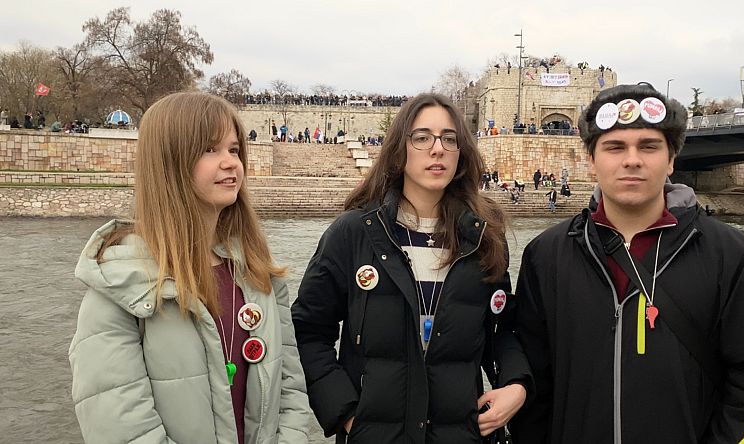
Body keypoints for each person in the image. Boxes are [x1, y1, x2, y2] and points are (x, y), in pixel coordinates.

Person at [511, 83, 744, 443]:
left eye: (648, 146)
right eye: (614, 147)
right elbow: (532, 382)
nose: (632, 159)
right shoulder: (546, 255)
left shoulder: (730, 254)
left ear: (670, 160)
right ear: (590, 160)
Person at [69, 92, 311, 444]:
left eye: (233, 149)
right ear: (169, 163)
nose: (230, 163)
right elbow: (120, 428)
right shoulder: (118, 285)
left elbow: (290, 389)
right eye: (209, 150)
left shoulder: (259, 272)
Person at [292, 93, 532, 443]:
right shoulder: (353, 234)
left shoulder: (484, 238)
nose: (437, 149)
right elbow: (309, 329)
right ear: (398, 149)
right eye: (422, 138)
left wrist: (516, 384)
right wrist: (345, 412)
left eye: (449, 139)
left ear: (461, 153)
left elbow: (500, 332)